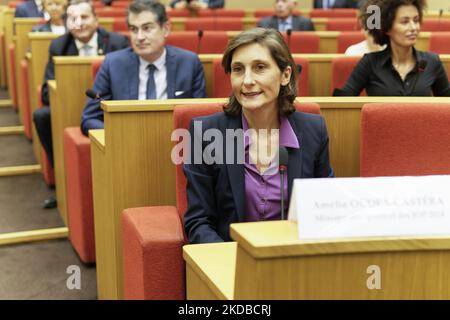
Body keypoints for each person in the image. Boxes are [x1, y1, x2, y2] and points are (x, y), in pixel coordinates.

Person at [183, 28, 334, 244]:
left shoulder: (313, 130)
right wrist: (227, 263)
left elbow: (322, 212)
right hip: (228, 263)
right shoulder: (206, 134)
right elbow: (198, 221)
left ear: (285, 75)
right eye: (238, 69)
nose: (247, 80)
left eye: (259, 68)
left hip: (294, 261)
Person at [33, 0, 129, 209]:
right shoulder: (59, 45)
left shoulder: (117, 42)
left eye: (84, 17)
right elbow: (47, 92)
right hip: (65, 108)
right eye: (72, 18)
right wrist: (70, 95)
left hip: (105, 108)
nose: (79, 23)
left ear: (96, 20)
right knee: (41, 115)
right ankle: (60, 178)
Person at [80, 0, 206, 135]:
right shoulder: (113, 64)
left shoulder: (189, 63)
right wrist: (119, 134)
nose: (139, 37)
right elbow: (89, 118)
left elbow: (200, 118)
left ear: (166, 29)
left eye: (147, 28)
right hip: (127, 146)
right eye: (134, 29)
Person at [336, 0, 450, 96]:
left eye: (416, 20)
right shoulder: (370, 63)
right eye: (405, 22)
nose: (414, 27)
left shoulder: (432, 62)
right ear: (387, 28)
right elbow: (341, 103)